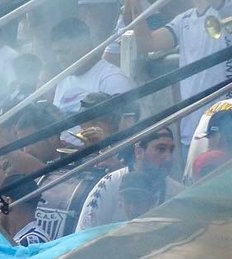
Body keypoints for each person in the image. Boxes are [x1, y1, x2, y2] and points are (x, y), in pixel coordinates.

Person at [125, 0, 232, 145]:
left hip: (225, 125)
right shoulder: (184, 19)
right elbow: (146, 43)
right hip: (192, 129)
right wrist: (135, 5)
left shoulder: (226, 7)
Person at [76, 127, 183, 230]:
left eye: (171, 150)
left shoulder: (178, 193)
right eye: (161, 149)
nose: (168, 158)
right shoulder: (109, 185)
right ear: (139, 152)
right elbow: (84, 236)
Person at [49, 18, 135, 115]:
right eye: (56, 53)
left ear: (85, 45)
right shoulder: (63, 80)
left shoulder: (113, 79)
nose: (59, 59)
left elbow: (126, 122)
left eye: (65, 52)